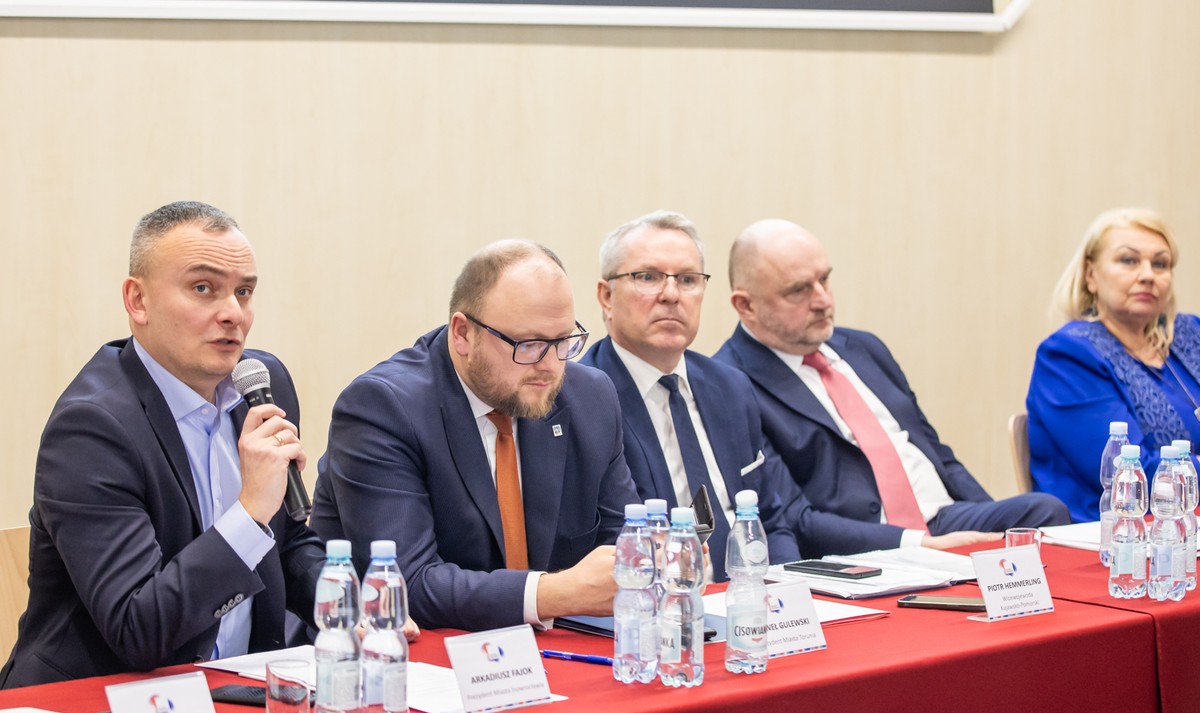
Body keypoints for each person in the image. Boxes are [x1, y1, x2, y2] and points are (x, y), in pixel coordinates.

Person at [1, 201, 329, 688]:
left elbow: (287, 544)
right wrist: (250, 514)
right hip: (100, 706)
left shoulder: (261, 385)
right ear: (138, 301)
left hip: (234, 688)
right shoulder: (91, 428)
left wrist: (346, 605)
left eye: (243, 292)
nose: (232, 314)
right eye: (203, 289)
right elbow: (138, 628)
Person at [310, 239, 640, 632]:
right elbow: (407, 585)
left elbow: (622, 540)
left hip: (555, 652)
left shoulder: (589, 397)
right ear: (463, 334)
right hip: (415, 656)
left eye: (563, 341)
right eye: (530, 344)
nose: (551, 366)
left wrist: (655, 561)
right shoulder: (382, 408)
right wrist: (554, 593)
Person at [715, 218, 1069, 557]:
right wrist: (916, 545)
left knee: (1041, 513)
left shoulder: (864, 348)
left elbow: (936, 453)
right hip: (866, 542)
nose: (823, 300)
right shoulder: (731, 384)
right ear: (746, 306)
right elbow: (794, 519)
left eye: (824, 279)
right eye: (798, 290)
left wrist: (989, 530)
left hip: (943, 518)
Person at [580, 211, 801, 577]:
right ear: (606, 296)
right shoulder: (583, 399)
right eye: (648, 277)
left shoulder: (730, 387)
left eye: (687, 280)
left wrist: (785, 590)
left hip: (751, 595)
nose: (671, 295)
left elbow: (772, 521)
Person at [1025, 208, 1200, 521]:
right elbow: (1131, 478)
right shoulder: (1068, 356)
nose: (1148, 275)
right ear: (1090, 275)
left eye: (1160, 264)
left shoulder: (1190, 333)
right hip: (1111, 535)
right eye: (1129, 260)